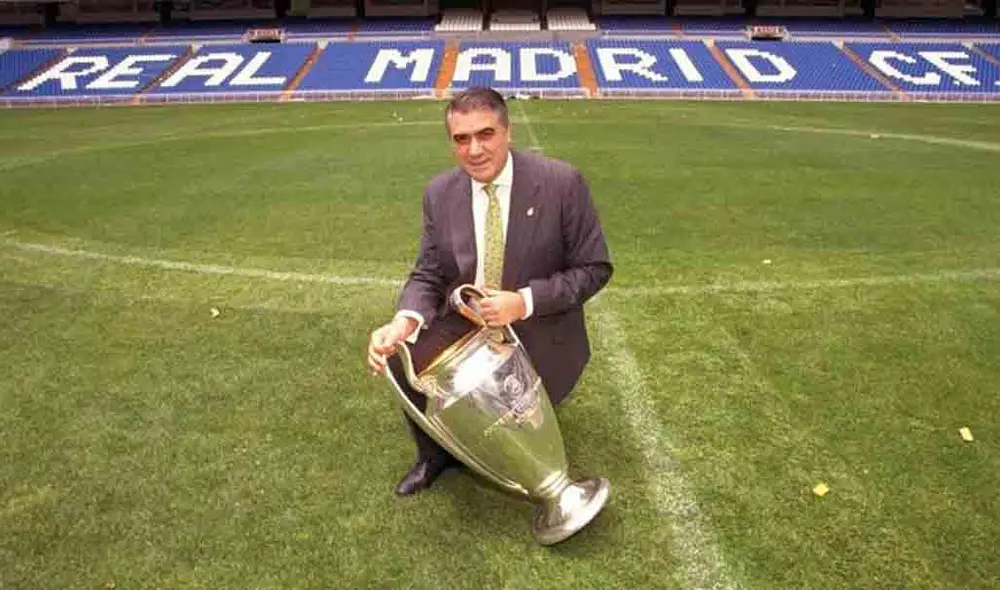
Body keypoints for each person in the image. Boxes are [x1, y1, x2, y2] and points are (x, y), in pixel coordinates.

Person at [366, 87, 612, 497]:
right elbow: (428, 272)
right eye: (462, 139)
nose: (474, 150)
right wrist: (403, 321)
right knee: (400, 355)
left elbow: (594, 269)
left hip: (536, 327)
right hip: (466, 322)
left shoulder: (561, 183)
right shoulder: (440, 193)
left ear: (508, 132)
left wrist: (524, 302)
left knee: (514, 424)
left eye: (486, 134)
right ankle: (433, 456)